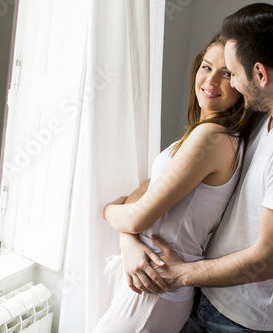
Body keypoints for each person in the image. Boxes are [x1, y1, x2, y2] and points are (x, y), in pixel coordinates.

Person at [121, 3, 273, 333]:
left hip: (243, 320)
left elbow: (268, 259)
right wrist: (130, 238)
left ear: (261, 75)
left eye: (233, 73)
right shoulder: (268, 119)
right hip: (210, 298)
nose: (232, 84)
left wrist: (180, 274)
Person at [92, 33, 262, 333]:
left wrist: (107, 211)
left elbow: (136, 215)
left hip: (156, 285)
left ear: (240, 84)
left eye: (226, 74)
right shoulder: (195, 137)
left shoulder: (212, 138)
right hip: (144, 274)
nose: (211, 80)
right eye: (206, 67)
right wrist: (128, 241)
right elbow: (136, 200)